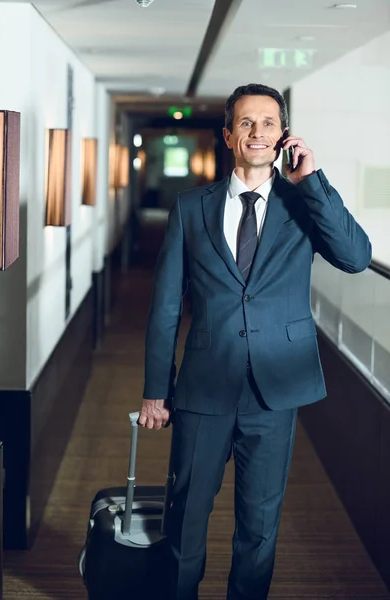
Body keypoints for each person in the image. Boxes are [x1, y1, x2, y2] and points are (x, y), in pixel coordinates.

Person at [139, 83, 372, 600]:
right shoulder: (189, 207)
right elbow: (166, 307)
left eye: (269, 123)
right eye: (246, 123)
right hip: (204, 389)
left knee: (259, 529)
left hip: (276, 390)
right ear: (228, 135)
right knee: (185, 521)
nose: (258, 132)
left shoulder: (304, 203)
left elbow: (356, 257)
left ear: (283, 133)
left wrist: (312, 179)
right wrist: (157, 390)